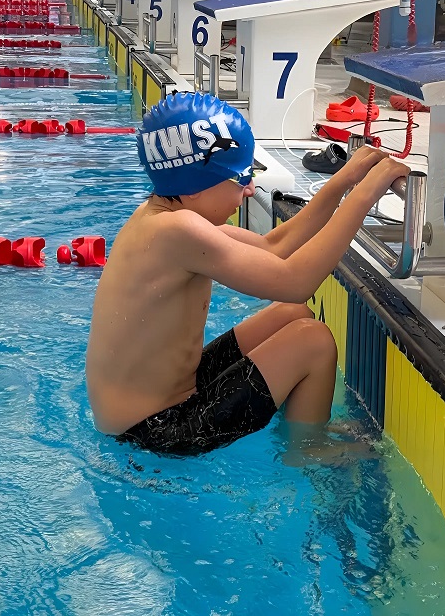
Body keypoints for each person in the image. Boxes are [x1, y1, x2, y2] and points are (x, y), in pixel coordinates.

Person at [85, 92, 410, 455]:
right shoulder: (178, 232)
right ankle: (306, 448)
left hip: (165, 398)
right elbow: (295, 282)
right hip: (156, 430)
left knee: (293, 315)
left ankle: (303, 418)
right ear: (197, 184)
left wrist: (344, 180)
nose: (251, 189)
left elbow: (274, 246)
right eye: (241, 177)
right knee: (314, 341)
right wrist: (363, 197)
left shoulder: (160, 215)